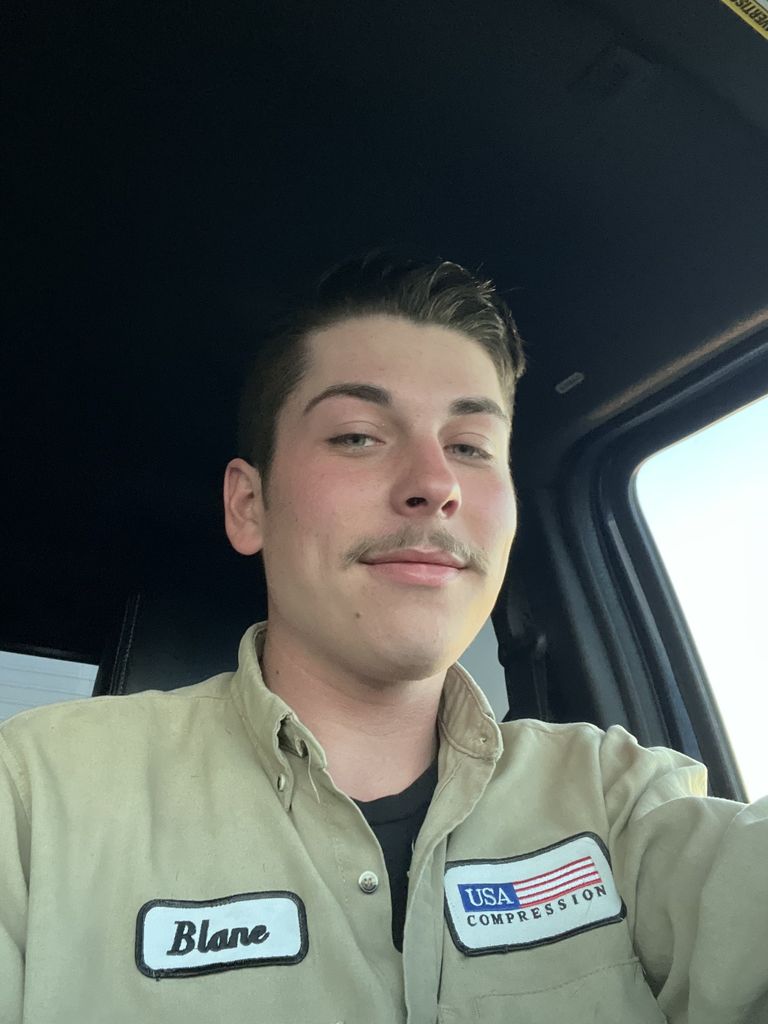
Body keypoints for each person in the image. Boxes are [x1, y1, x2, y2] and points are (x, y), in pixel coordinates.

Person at [0, 252, 766, 1024]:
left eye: (471, 447)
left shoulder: (617, 796)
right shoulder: (35, 796)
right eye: (359, 436)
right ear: (249, 505)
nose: (437, 483)